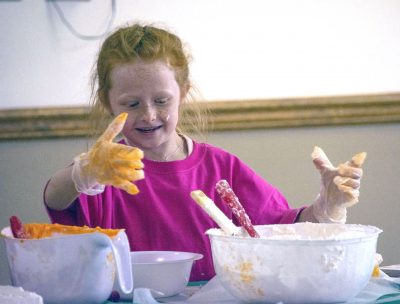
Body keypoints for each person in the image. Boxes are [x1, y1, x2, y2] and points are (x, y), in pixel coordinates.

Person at [44, 22, 365, 282]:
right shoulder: (105, 172)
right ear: (108, 102)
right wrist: (82, 173)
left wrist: (327, 207)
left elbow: (285, 230)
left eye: (161, 100)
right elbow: (54, 198)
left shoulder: (221, 169)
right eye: (131, 104)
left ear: (182, 93)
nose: (149, 115)